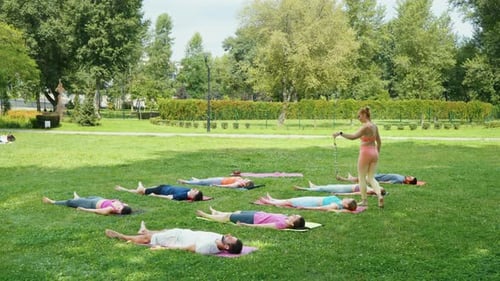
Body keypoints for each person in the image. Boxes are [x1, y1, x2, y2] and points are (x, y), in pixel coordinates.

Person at [333, 106, 384, 208]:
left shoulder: (365, 127)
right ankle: (379, 195)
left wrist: (340, 133)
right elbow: (379, 142)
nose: (358, 118)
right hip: (374, 153)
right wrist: (377, 153)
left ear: (364, 115)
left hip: (365, 153)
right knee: (370, 177)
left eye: (359, 116)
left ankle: (364, 201)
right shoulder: (374, 126)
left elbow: (353, 137)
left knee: (361, 177)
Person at [105, 221, 243, 255]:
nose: (229, 235)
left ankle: (120, 236)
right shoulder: (220, 238)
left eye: (231, 238)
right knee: (159, 233)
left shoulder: (207, 247)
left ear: (226, 247)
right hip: (182, 232)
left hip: (175, 239)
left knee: (147, 239)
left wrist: (163, 249)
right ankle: (146, 230)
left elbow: (186, 248)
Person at [196, 206, 306, 230]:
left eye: (295, 217)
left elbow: (264, 226)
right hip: (257, 214)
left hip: (253, 219)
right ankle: (217, 212)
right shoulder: (286, 218)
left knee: (227, 217)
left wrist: (246, 225)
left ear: (292, 224)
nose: (294, 215)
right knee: (237, 211)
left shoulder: (282, 224)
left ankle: (205, 215)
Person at [42, 192, 131, 215]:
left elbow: (97, 211)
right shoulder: (124, 206)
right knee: (83, 199)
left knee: (70, 202)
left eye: (119, 210)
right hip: (98, 198)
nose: (118, 208)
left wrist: (83, 209)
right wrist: (123, 205)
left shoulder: (110, 209)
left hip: (91, 204)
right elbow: (126, 206)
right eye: (120, 207)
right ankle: (78, 198)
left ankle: (52, 202)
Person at [258, 193, 357, 212]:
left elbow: (322, 208)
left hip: (311, 203)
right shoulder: (340, 202)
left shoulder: (336, 205)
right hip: (312, 199)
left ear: (346, 205)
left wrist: (305, 208)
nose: (347, 197)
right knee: (292, 200)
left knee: (290, 202)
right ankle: (273, 200)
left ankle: (270, 202)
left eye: (348, 199)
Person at [115, 181, 203, 201]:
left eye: (195, 191)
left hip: (160, 190)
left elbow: (169, 197)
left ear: (192, 196)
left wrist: (155, 195)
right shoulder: (188, 191)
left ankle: (124, 189)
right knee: (141, 191)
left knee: (140, 191)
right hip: (164, 187)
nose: (194, 190)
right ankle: (140, 187)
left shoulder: (182, 196)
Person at [294, 181, 386, 196]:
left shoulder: (369, 191)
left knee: (326, 189)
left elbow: (354, 194)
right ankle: (314, 186)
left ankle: (303, 189)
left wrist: (340, 194)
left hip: (343, 190)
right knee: (329, 186)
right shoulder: (371, 188)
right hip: (344, 187)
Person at [336, 172, 417, 185]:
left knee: (363, 178)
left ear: (409, 182)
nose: (409, 176)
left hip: (379, 178)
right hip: (380, 175)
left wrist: (377, 183)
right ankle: (351, 178)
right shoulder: (403, 177)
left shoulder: (400, 180)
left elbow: (389, 182)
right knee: (363, 177)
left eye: (410, 178)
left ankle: (345, 179)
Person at [178, 176, 254, 189]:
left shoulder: (238, 184)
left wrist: (217, 186)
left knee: (203, 182)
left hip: (220, 182)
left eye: (247, 180)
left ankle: (186, 182)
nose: (246, 179)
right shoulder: (241, 180)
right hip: (221, 179)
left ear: (245, 184)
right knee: (205, 181)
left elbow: (229, 186)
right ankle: (196, 180)